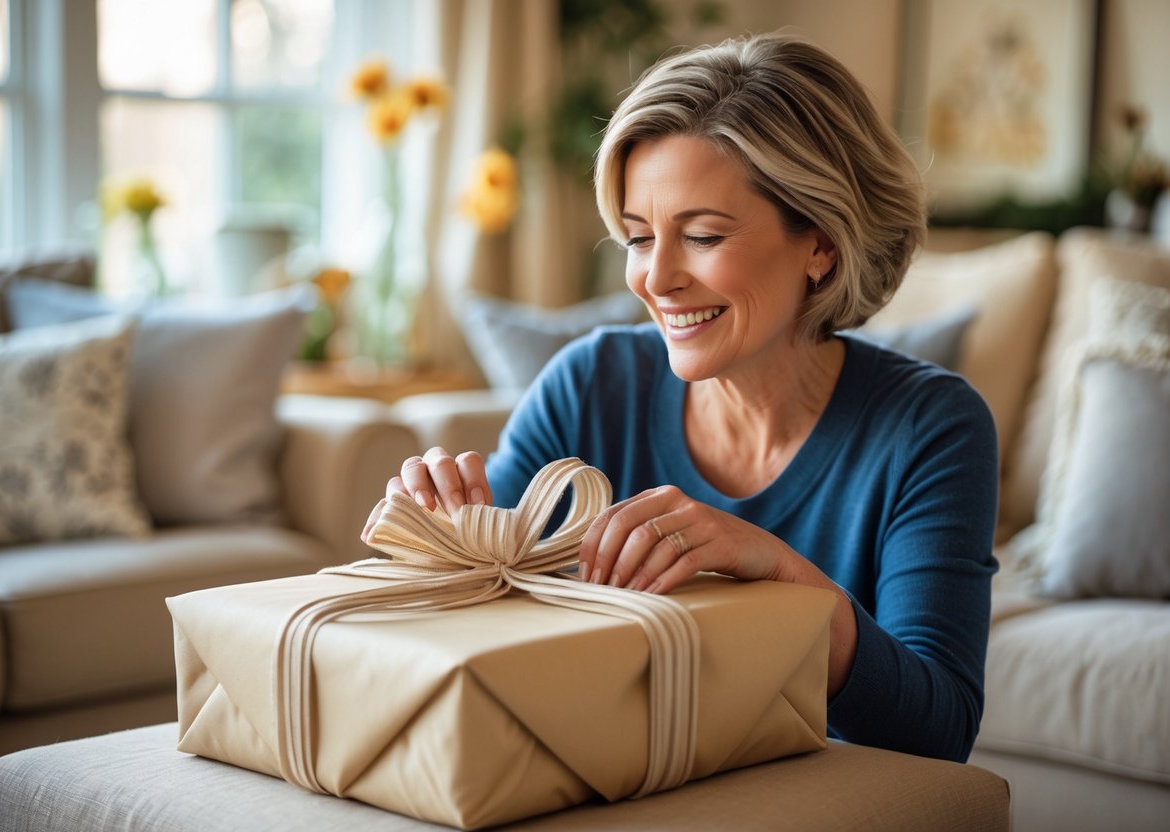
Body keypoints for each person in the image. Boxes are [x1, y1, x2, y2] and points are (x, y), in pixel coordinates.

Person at [363, 32, 998, 764]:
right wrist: (438, 544)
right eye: (637, 238)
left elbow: (939, 729)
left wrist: (778, 579)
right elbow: (484, 624)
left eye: (700, 236)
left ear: (820, 245)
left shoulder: (931, 427)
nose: (654, 279)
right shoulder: (590, 383)